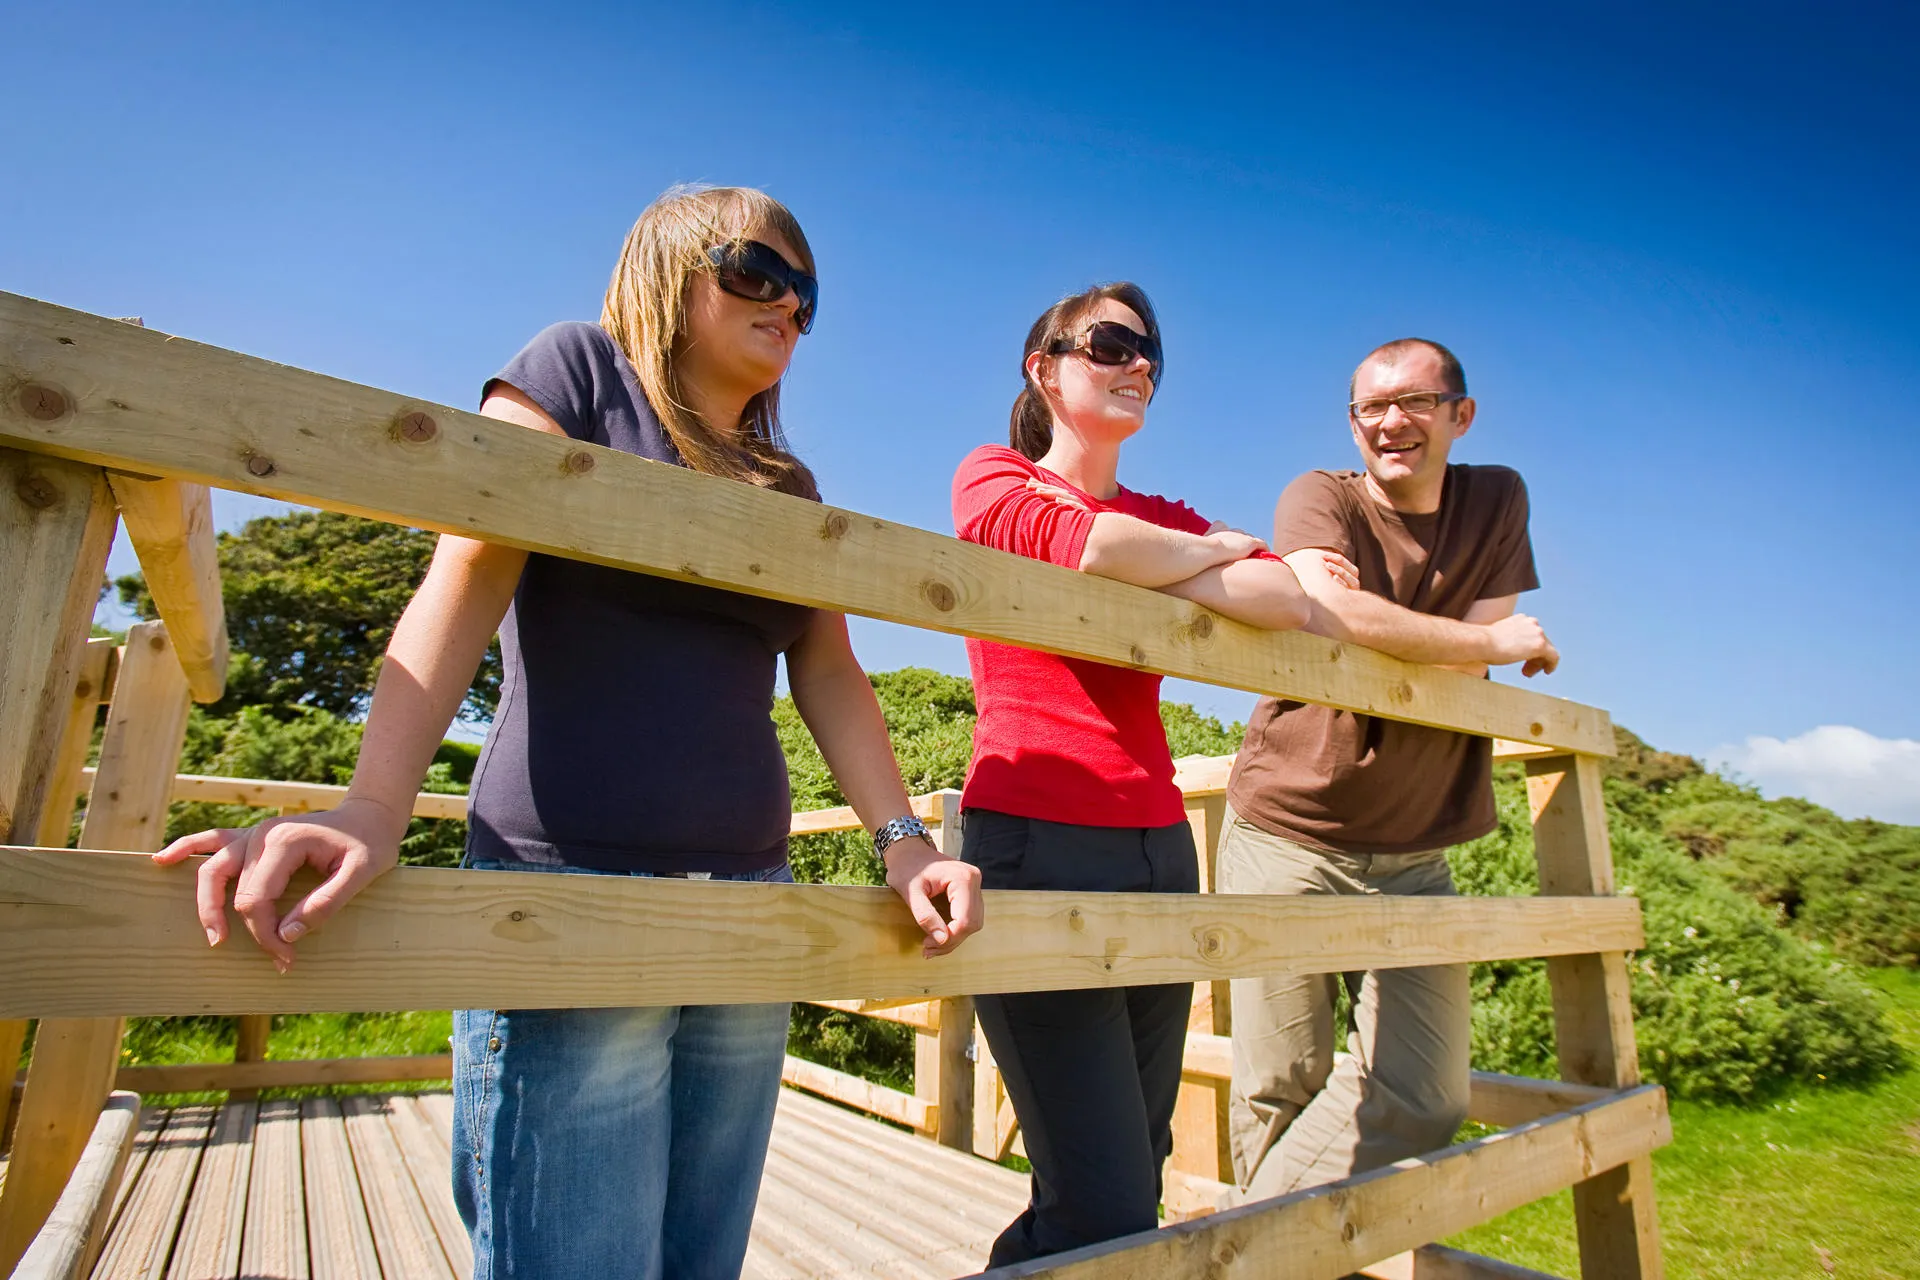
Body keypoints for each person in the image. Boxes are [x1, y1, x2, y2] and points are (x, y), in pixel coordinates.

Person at [155, 184, 983, 1280]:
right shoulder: (577, 373)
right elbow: (469, 568)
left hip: (750, 908)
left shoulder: (791, 483)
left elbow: (829, 668)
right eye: (755, 269)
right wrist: (373, 804)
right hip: (568, 893)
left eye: (807, 291)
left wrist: (903, 841)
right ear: (666, 268)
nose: (788, 300)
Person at [950, 282, 1311, 1263]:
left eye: (1150, 352)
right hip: (1036, 838)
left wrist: (1181, 556)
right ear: (1045, 366)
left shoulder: (1157, 511)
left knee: (1130, 1178)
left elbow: (1279, 592)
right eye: (1111, 343)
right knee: (1101, 1196)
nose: (1138, 363)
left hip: (1161, 848)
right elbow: (1088, 543)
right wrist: (1205, 553)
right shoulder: (993, 475)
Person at [1221, 337, 1557, 1200]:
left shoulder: (1496, 499)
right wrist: (1486, 642)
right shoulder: (1318, 495)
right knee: (1276, 1083)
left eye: (1412, 402)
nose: (1390, 423)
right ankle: (1271, 1254)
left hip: (1418, 850)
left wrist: (1383, 626)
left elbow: (1440, 663)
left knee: (1426, 1094)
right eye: (1369, 407)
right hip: (1289, 828)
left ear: (1460, 415)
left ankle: (1233, 1252)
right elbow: (1328, 609)